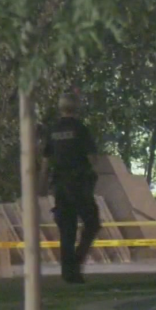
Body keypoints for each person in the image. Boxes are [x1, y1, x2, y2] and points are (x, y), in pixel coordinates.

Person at [39, 92, 102, 284]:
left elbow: (45, 161)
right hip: (80, 184)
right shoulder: (80, 129)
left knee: (67, 230)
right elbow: (92, 158)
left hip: (60, 185)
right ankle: (76, 261)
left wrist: (42, 185)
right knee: (92, 224)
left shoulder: (53, 130)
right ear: (77, 107)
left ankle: (68, 272)